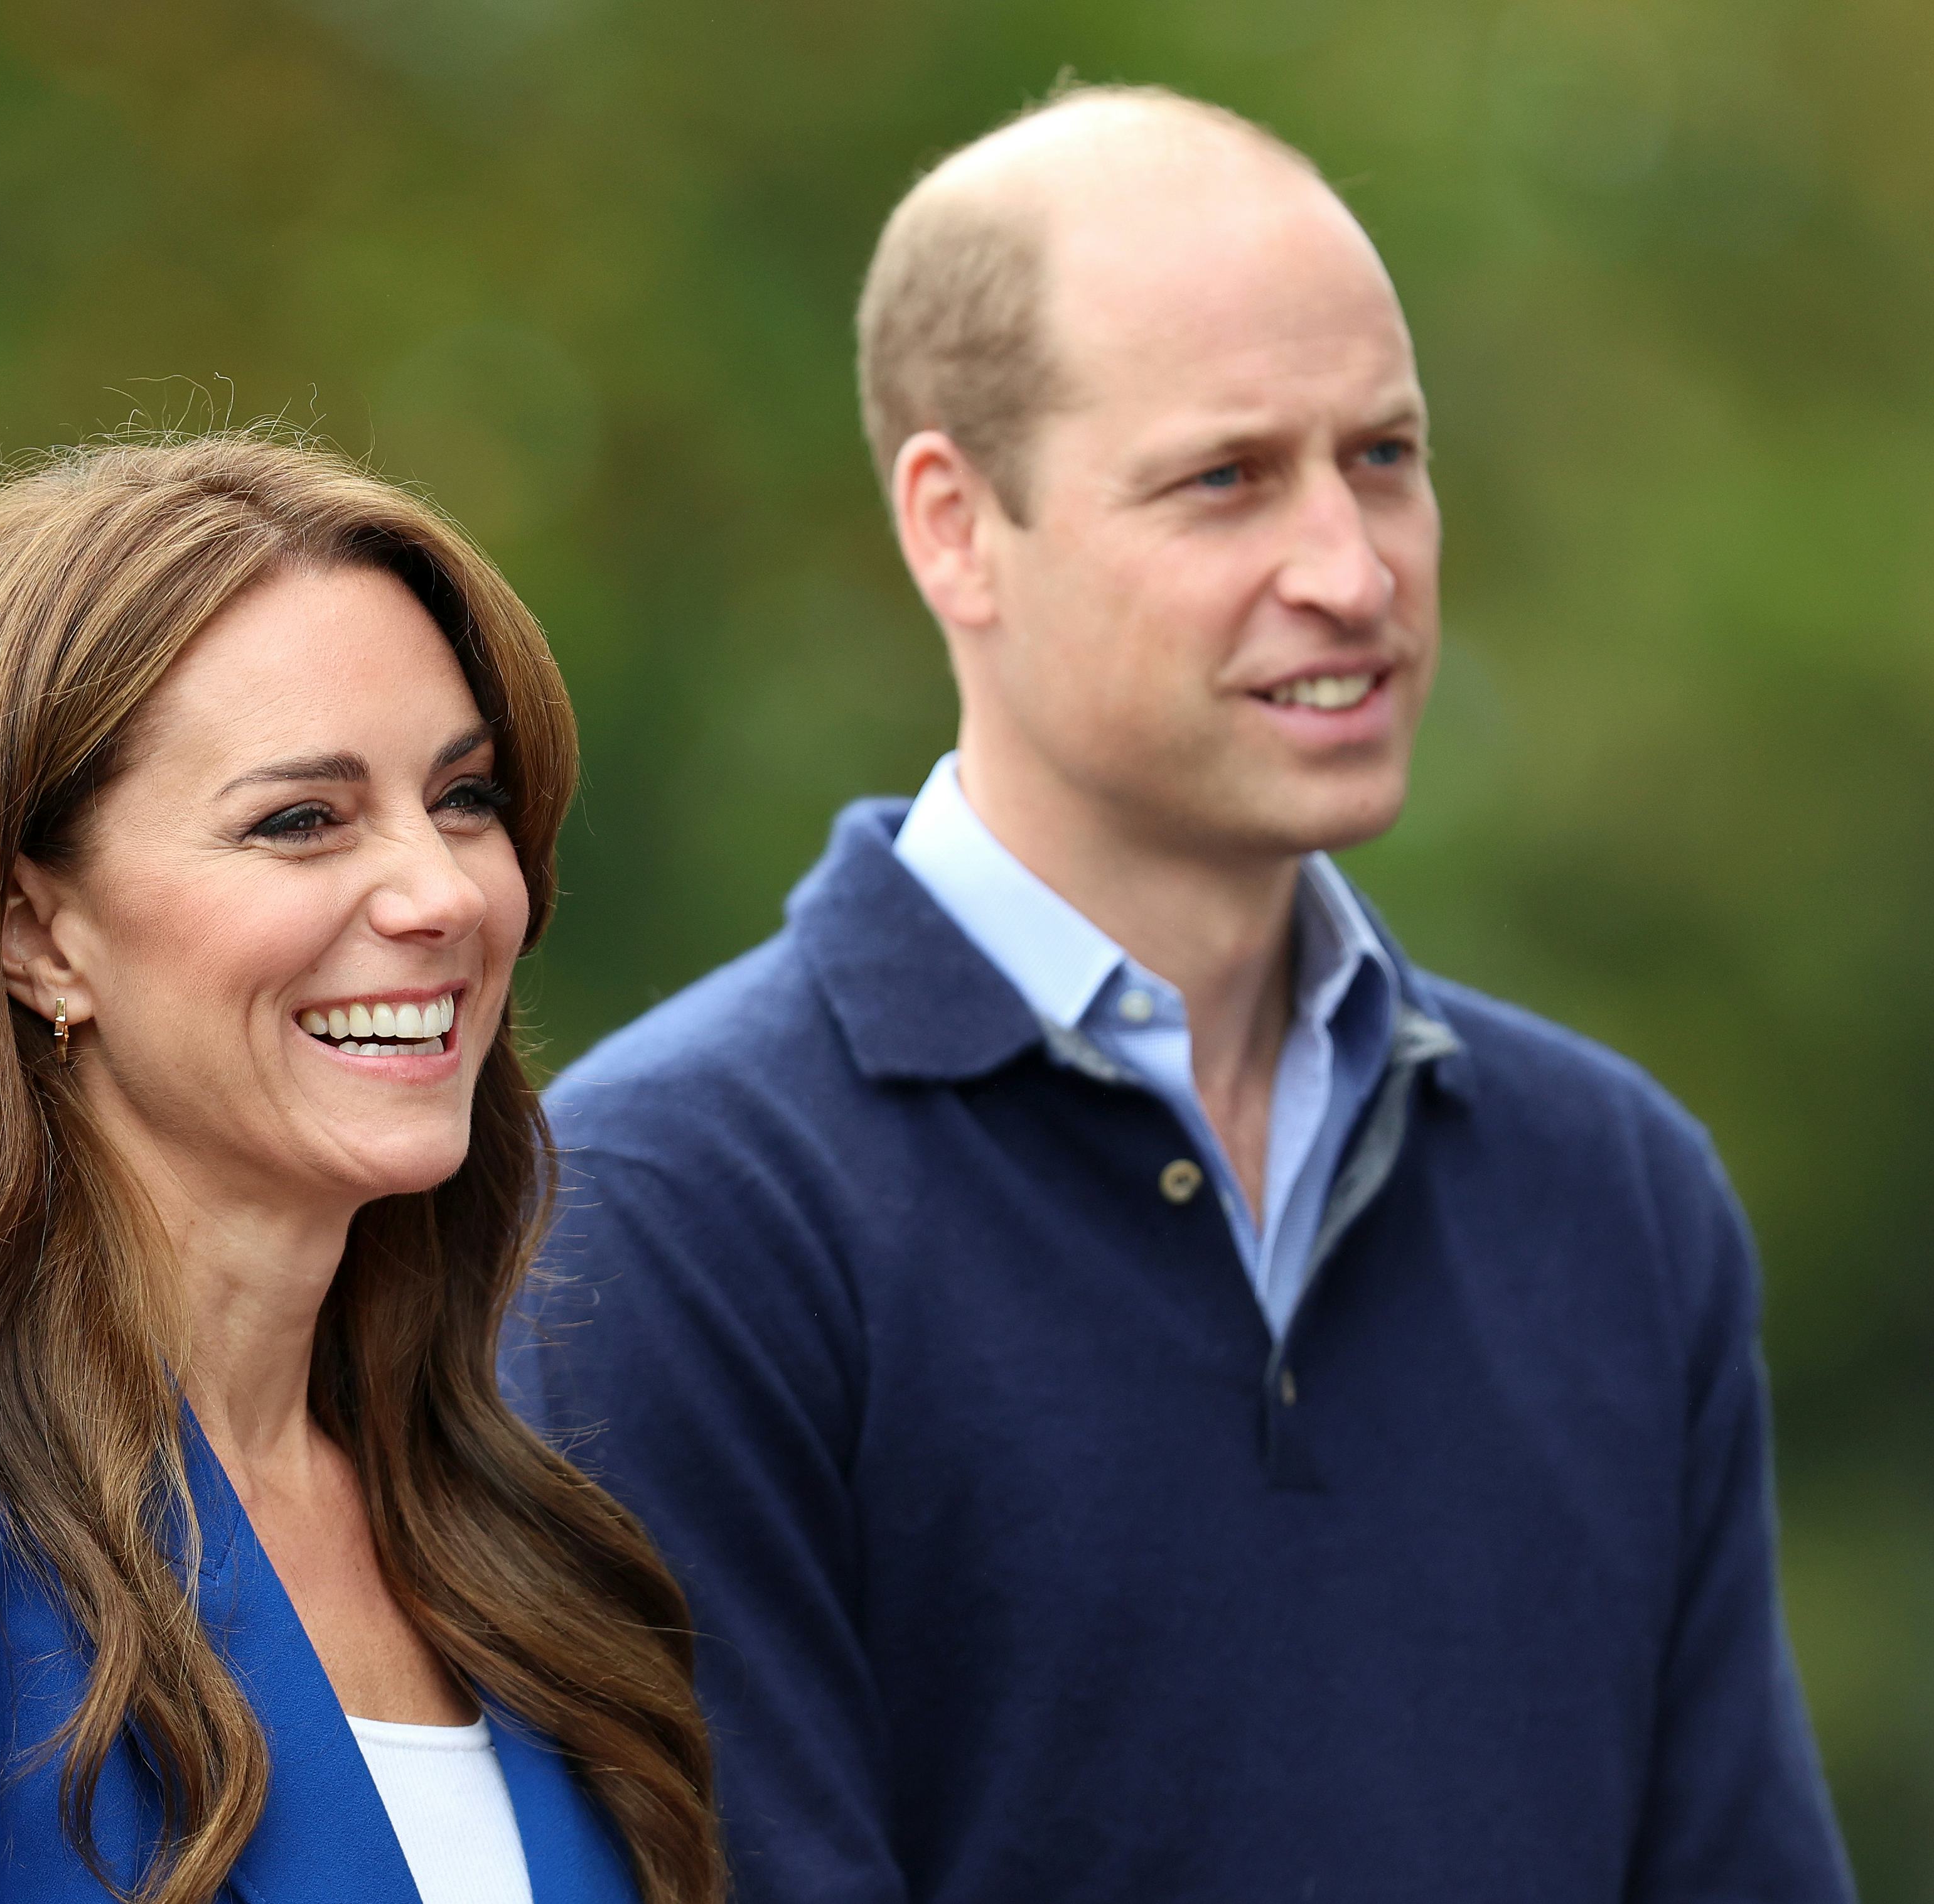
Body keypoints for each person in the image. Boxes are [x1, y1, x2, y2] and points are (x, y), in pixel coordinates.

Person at [510, 85, 1854, 1902]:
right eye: (1226, 478)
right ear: (956, 526)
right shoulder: (670, 1215)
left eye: (1384, 454)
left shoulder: (1615, 1194)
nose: (1351, 569)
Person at [0, 434, 723, 1904]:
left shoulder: (516, 1539)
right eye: (299, 820)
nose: (441, 892)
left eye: (465, 798)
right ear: (33, 930)